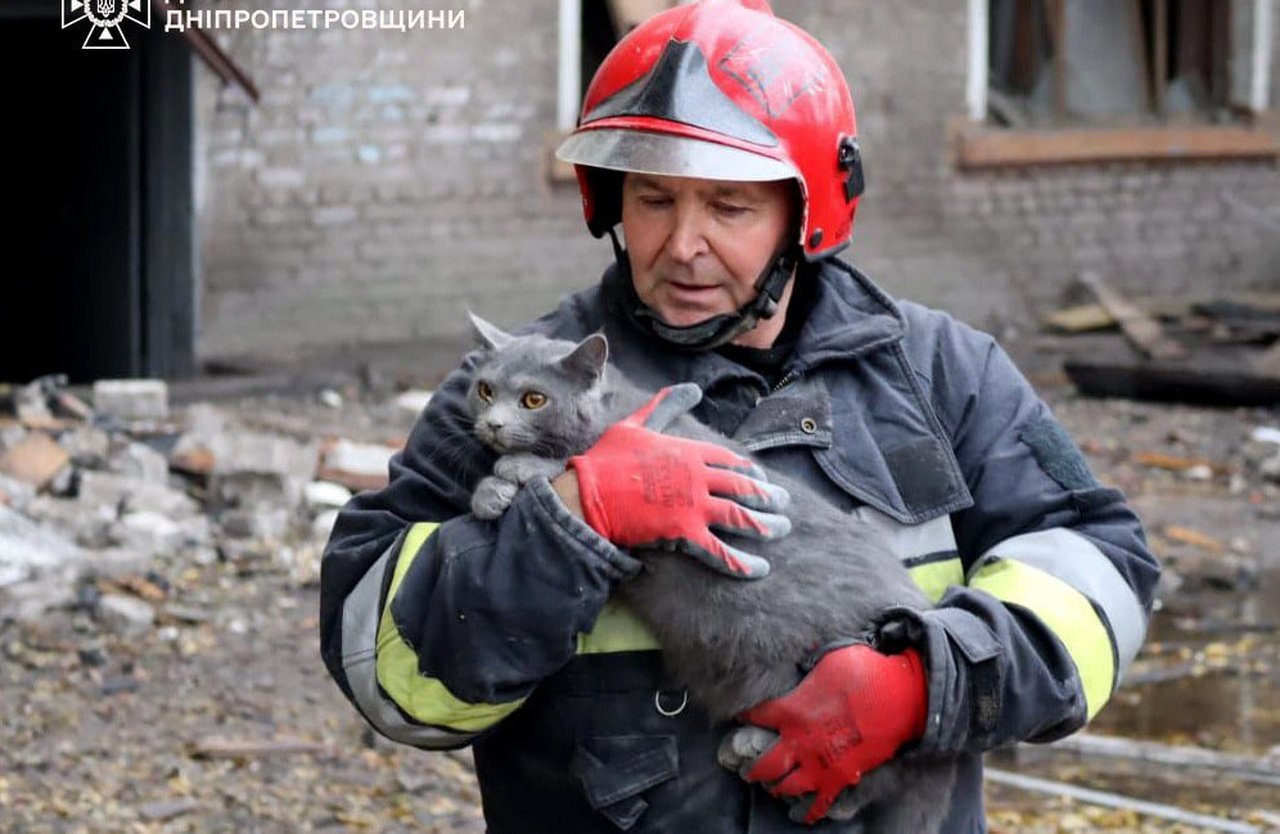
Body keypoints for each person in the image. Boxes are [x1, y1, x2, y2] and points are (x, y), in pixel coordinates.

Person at [318, 1, 1159, 830]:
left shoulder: (943, 375)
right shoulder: (519, 390)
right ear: (613, 205)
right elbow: (382, 671)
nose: (682, 244)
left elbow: (1103, 574)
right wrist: (565, 520)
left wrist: (927, 683)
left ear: (805, 216)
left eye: (728, 207)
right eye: (653, 200)